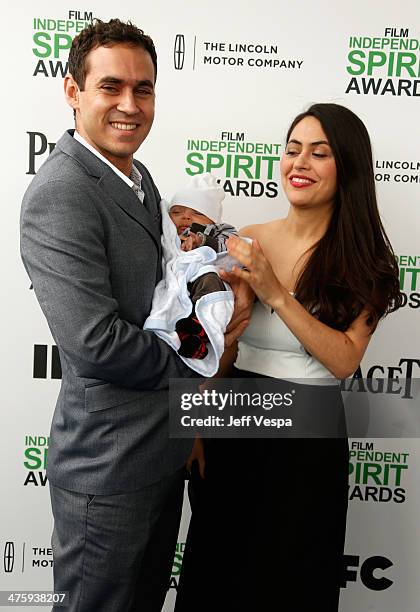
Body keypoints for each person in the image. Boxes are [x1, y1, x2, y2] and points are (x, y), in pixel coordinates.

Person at [20, 19, 251, 612]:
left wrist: (211, 293)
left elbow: (162, 298)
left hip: (158, 457)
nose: (130, 105)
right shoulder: (61, 192)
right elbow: (95, 343)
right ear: (73, 92)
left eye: (143, 89)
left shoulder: (139, 176)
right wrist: (203, 361)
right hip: (108, 467)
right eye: (111, 87)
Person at [175, 103, 402, 612]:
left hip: (308, 436)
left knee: (291, 581)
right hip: (234, 418)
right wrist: (194, 424)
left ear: (347, 166)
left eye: (319, 153)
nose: (299, 163)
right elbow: (215, 347)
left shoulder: (368, 261)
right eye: (293, 149)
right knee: (215, 576)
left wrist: (277, 293)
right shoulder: (245, 239)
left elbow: (344, 359)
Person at [169, 172, 239, 359]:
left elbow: (233, 245)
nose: (186, 217)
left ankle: (202, 328)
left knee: (209, 275)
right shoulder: (167, 234)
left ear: (213, 220)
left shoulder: (220, 231)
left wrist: (203, 241)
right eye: (177, 212)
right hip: (177, 284)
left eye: (198, 213)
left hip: (205, 281)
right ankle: (186, 336)